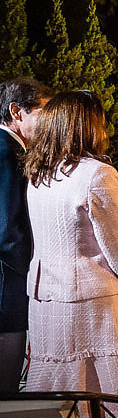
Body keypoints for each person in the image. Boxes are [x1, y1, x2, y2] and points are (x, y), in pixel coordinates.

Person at [24, 91, 118, 418]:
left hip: (45, 296)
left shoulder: (38, 176)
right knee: (100, 388)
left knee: (54, 383)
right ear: (89, 126)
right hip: (91, 298)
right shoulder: (97, 174)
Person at [0, 78, 52, 391]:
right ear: (17, 111)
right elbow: (7, 231)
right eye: (43, 113)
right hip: (7, 286)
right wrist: (32, 273)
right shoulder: (7, 154)